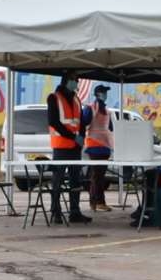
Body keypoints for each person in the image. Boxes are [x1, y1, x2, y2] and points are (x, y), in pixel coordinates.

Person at [46, 74, 90, 224]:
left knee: (76, 181)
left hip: (75, 147)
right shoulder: (54, 98)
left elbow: (81, 121)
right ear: (66, 81)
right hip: (61, 146)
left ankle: (75, 212)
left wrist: (81, 137)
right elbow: (53, 121)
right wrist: (72, 136)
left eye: (77, 81)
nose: (76, 83)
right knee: (57, 181)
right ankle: (55, 211)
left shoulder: (76, 99)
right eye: (74, 80)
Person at [83, 84, 114, 211]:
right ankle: (96, 202)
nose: (105, 95)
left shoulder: (106, 110)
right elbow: (84, 122)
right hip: (94, 145)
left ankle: (98, 202)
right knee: (96, 175)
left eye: (106, 92)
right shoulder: (90, 107)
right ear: (97, 94)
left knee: (100, 176)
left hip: (105, 146)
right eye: (103, 92)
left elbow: (110, 128)